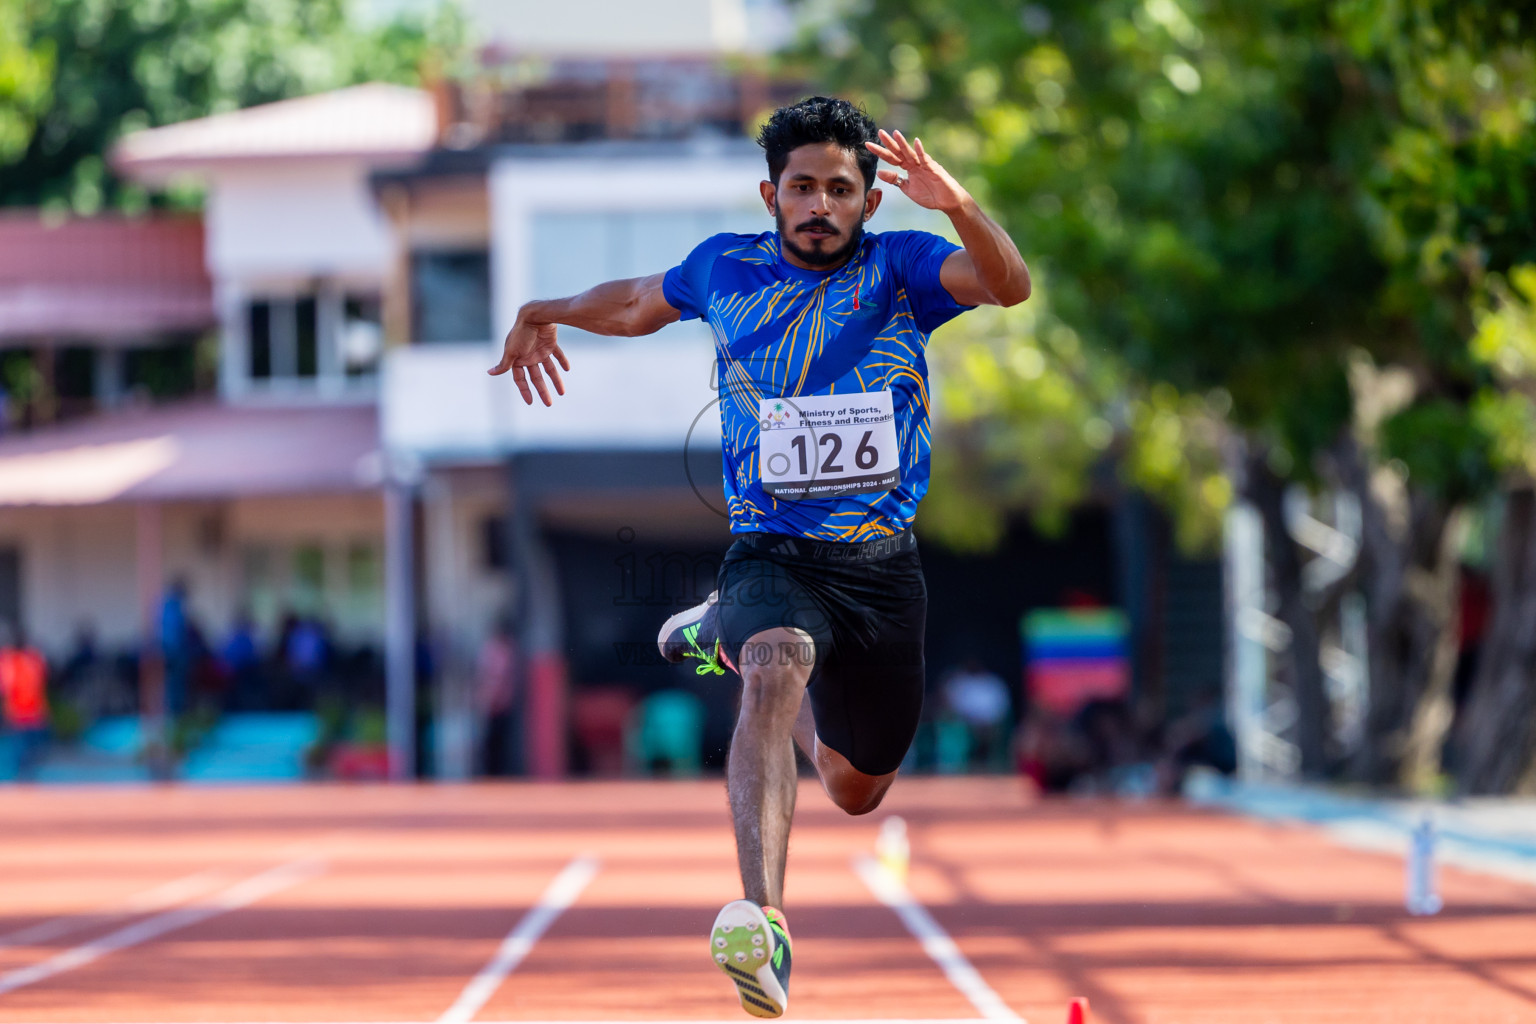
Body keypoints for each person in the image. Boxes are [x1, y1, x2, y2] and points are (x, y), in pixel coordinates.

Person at [489, 96, 1029, 1018]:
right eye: (804, 187)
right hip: (771, 550)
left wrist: (957, 203)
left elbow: (1008, 284)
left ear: (869, 201)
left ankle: (717, 634)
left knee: (857, 790)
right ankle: (763, 921)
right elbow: (629, 304)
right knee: (775, 669)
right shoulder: (723, 267)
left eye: (842, 190)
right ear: (771, 193)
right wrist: (544, 309)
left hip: (881, 565)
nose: (821, 204)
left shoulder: (903, 270)